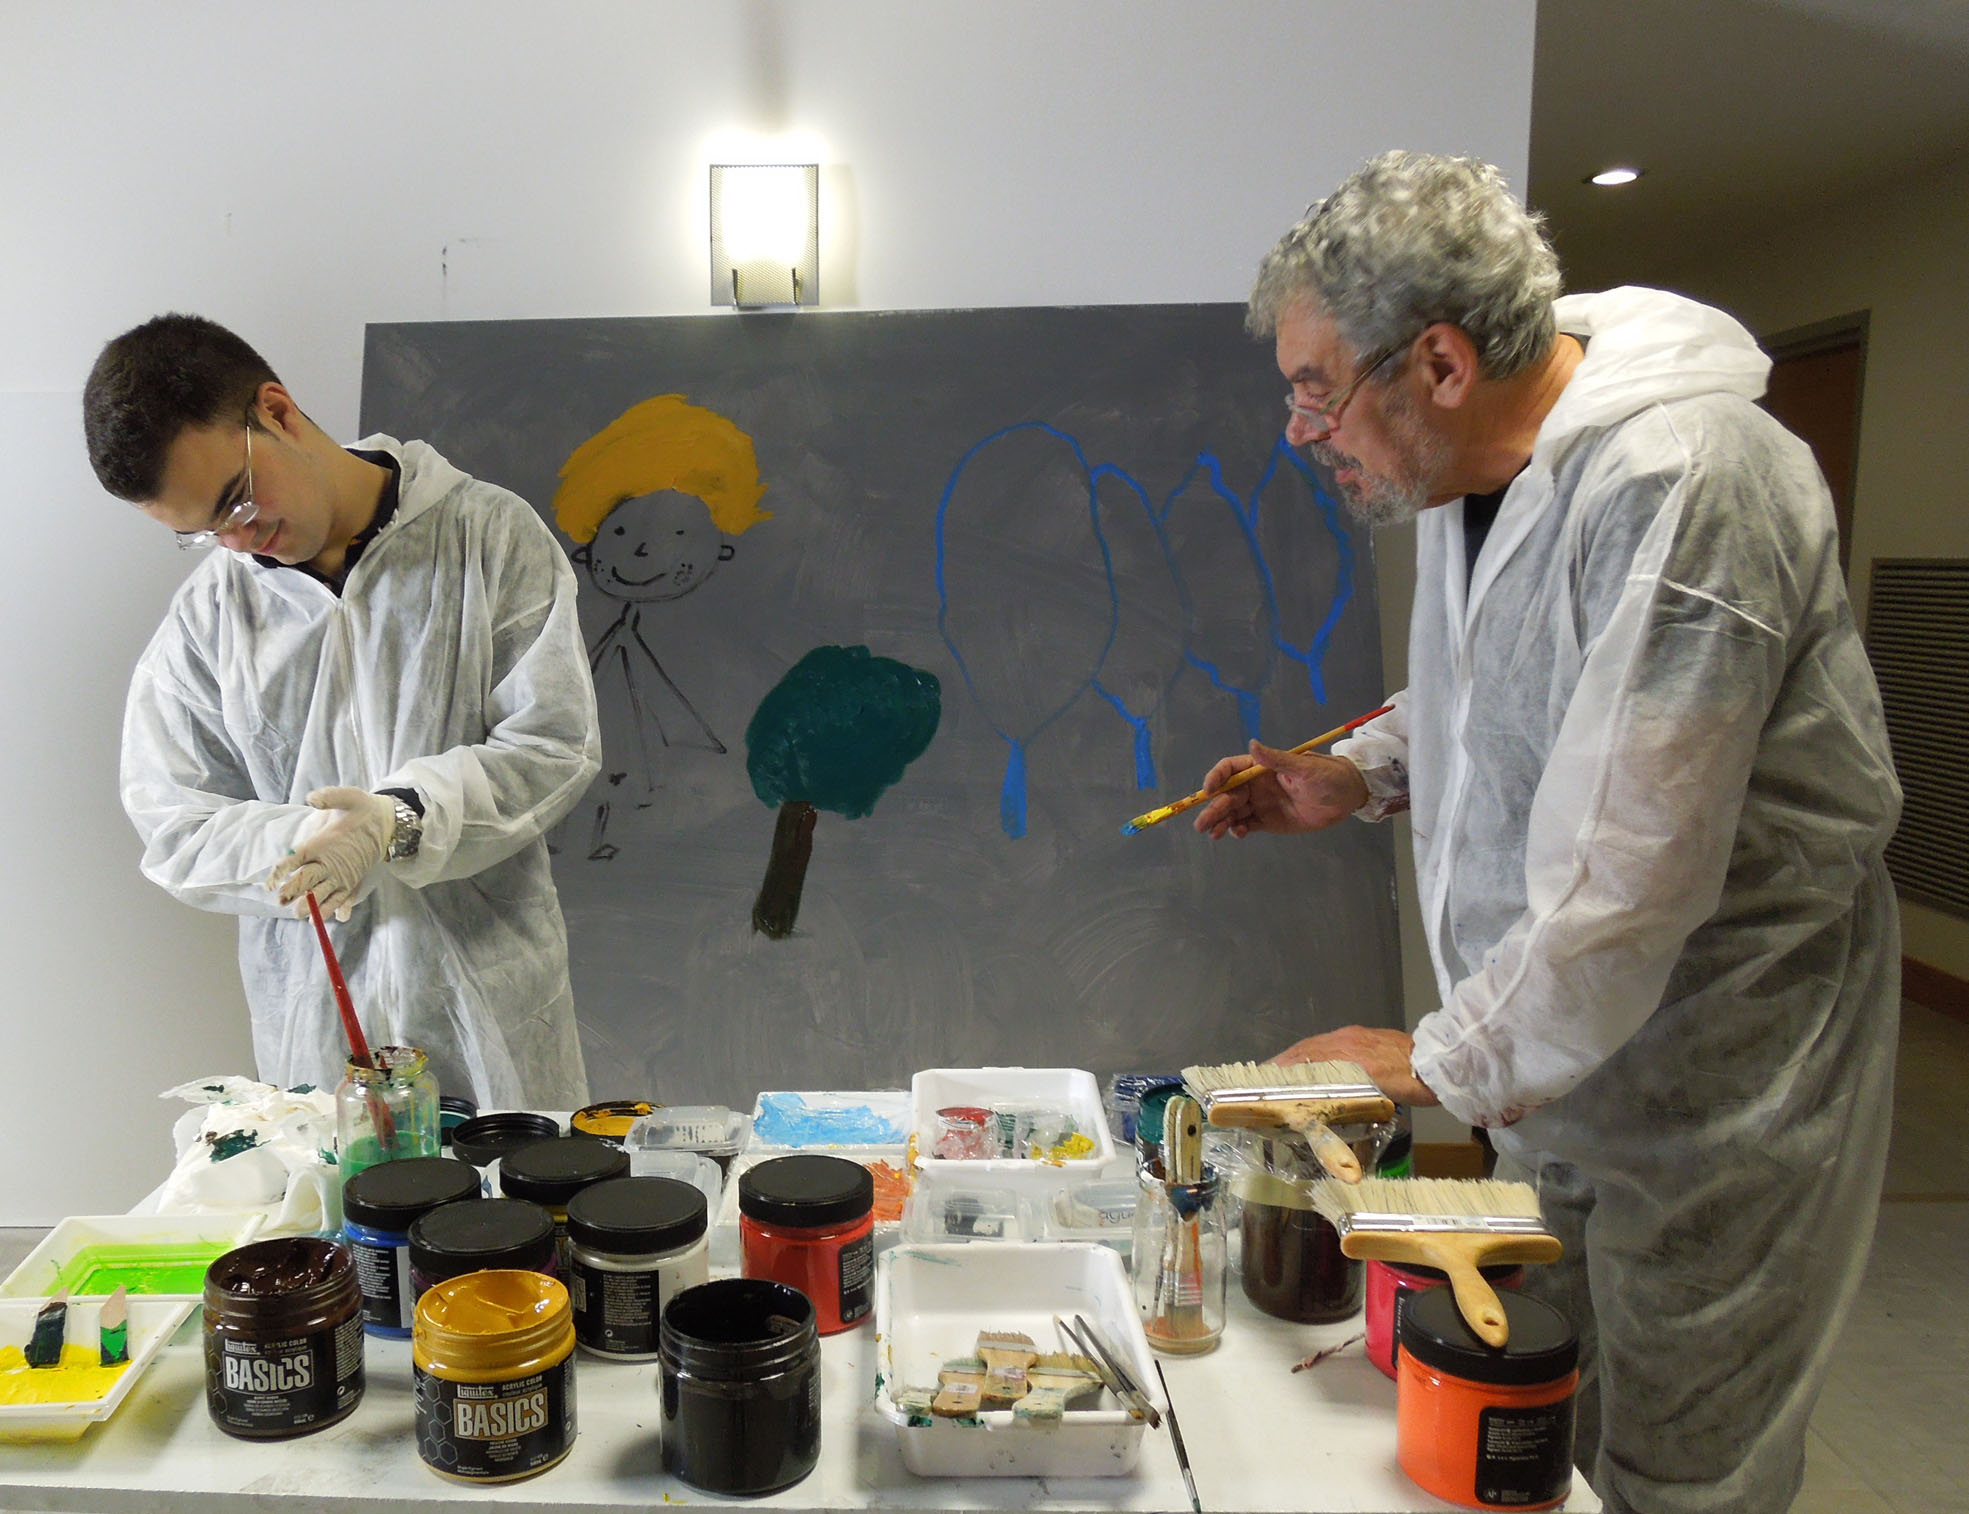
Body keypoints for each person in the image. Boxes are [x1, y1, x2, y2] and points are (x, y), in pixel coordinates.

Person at [1196, 152, 1900, 1514]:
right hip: (1562, 1064)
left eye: (1316, 388)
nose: (1302, 428)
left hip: (1715, 1087)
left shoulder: (1687, 481)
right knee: (1538, 1425)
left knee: (1683, 1462)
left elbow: (1637, 862)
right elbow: (1506, 694)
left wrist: (1433, 1058)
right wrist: (1355, 773)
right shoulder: (1485, 476)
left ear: (1442, 363)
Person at [85, 314, 602, 1109]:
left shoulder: (486, 538)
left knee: (509, 1222)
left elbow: (550, 744)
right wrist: (310, 842)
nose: (240, 540)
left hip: (491, 1011)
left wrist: (396, 821)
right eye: (204, 530)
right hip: (319, 1030)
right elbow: (174, 817)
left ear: (278, 412)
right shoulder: (214, 611)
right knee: (343, 1222)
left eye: (237, 499)